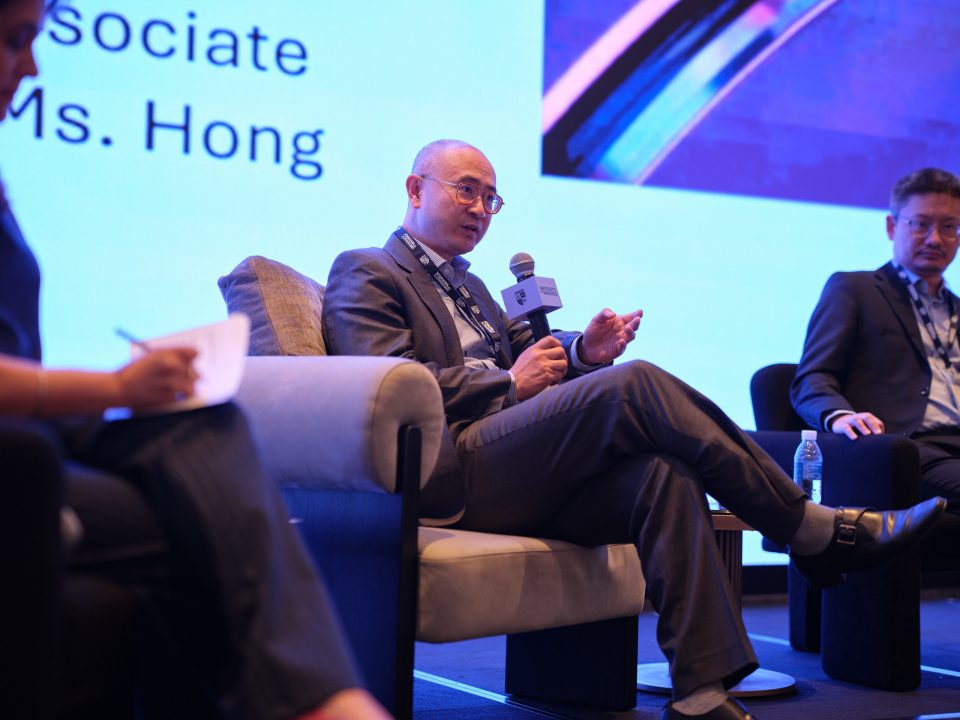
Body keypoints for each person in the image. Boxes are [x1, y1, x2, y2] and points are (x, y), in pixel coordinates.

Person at [320, 138, 946, 720]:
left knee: (660, 475)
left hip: (517, 465)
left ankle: (701, 689)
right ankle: (809, 527)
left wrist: (584, 351)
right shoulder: (369, 270)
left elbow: (530, 352)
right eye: (466, 190)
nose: (481, 209)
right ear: (415, 188)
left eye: (491, 198)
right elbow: (385, 382)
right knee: (636, 383)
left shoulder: (473, 286)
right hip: (450, 471)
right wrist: (509, 383)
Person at [0, 1, 391, 718]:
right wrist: (114, 386)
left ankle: (330, 700)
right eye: (14, 41)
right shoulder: (377, 270)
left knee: (206, 425)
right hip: (17, 448)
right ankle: (327, 703)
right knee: (203, 533)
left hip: (33, 433)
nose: (32, 68)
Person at [792, 167, 960, 513]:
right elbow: (812, 378)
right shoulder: (856, 290)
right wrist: (840, 416)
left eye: (949, 227)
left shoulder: (956, 308)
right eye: (921, 224)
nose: (935, 239)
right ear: (891, 226)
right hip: (907, 446)